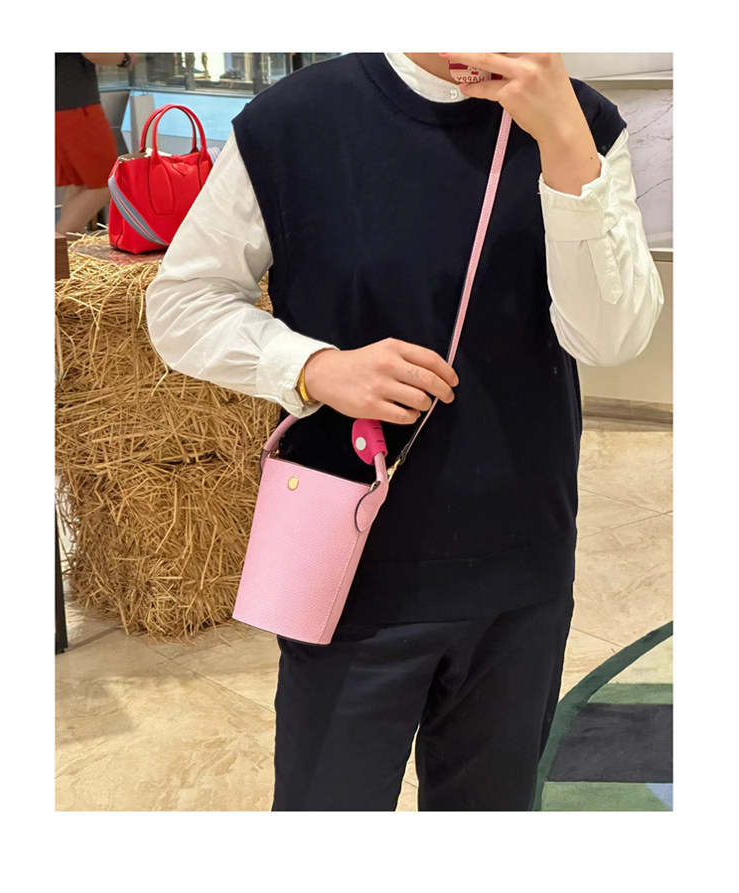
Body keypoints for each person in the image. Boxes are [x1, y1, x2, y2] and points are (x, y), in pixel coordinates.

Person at [145, 52, 664, 811]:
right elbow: (182, 303)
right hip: (346, 561)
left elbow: (610, 338)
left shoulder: (580, 122)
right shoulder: (294, 122)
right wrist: (313, 366)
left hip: (521, 564)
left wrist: (562, 142)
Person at [55, 53, 138, 238]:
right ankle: (59, 246)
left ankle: (68, 245)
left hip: (62, 106)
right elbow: (93, 52)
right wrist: (125, 57)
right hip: (75, 106)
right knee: (106, 183)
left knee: (79, 183)